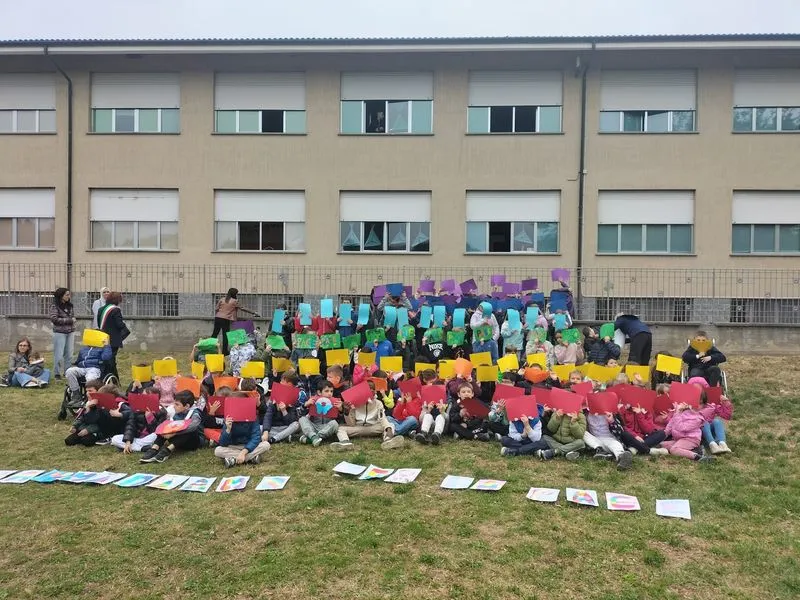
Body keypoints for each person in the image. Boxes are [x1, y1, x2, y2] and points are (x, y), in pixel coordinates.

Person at [140, 390, 205, 463]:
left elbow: (193, 427)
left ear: (186, 406)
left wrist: (174, 433)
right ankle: (154, 448)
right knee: (165, 427)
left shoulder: (195, 413)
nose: (174, 406)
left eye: (177, 404)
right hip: (178, 441)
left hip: (194, 441)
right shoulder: (177, 412)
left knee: (188, 430)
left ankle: (167, 451)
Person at [214, 393, 271, 467]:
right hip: (233, 446)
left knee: (266, 445)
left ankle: (233, 459)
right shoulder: (229, 418)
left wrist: (243, 452)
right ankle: (251, 458)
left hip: (249, 445)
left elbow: (256, 438)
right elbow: (223, 443)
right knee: (218, 450)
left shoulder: (252, 417)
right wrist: (228, 429)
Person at [692, 377, 734, 455]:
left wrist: (725, 402)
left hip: (710, 428)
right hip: (696, 430)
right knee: (704, 423)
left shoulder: (711, 405)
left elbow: (727, 416)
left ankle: (722, 443)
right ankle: (712, 444)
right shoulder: (689, 406)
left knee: (717, 421)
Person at [212, 288, 259, 356]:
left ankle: (210, 349)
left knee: (214, 334)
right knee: (225, 336)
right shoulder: (235, 301)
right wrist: (253, 312)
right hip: (225, 319)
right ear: (234, 294)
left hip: (218, 318)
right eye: (237, 293)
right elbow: (243, 308)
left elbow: (216, 308)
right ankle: (224, 352)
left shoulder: (222, 299)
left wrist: (219, 314)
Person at [65, 340, 113, 405]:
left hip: (94, 368)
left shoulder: (103, 348)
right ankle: (76, 395)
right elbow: (79, 360)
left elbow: (106, 357)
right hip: (82, 368)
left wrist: (107, 345)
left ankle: (89, 396)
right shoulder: (83, 349)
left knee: (90, 378)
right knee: (69, 371)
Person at [98, 291, 130, 381]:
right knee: (111, 361)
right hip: (112, 340)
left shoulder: (101, 309)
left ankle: (111, 379)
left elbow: (98, 323)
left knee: (105, 360)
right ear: (117, 300)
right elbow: (119, 324)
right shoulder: (116, 310)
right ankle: (112, 379)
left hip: (102, 338)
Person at [50, 287, 76, 380]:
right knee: (59, 354)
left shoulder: (70, 306)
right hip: (60, 332)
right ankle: (57, 373)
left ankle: (67, 372)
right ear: (61, 296)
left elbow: (72, 317)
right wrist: (69, 320)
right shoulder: (55, 306)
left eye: (69, 294)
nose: (69, 296)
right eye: (67, 295)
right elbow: (54, 319)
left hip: (70, 332)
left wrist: (72, 321)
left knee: (69, 354)